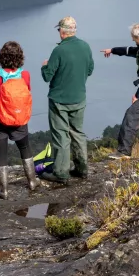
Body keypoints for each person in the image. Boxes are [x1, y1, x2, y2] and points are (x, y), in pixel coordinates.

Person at [40, 16, 94, 184]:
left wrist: (44, 66)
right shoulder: (85, 46)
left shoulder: (59, 50)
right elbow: (90, 69)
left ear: (62, 32)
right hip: (79, 98)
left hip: (59, 100)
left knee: (61, 136)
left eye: (59, 30)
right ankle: (82, 169)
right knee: (77, 133)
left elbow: (47, 76)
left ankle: (61, 173)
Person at [0, 41, 41, 199]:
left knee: (1, 153)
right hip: (19, 117)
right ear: (20, 57)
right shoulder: (25, 75)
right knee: (25, 148)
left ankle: (4, 190)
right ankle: (32, 181)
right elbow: (26, 90)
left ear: (1, 57)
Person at [101, 23, 139, 158]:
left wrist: (138, 95)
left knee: (131, 115)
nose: (132, 40)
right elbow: (129, 51)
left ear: (137, 36)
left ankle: (124, 152)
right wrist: (112, 50)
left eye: (134, 37)